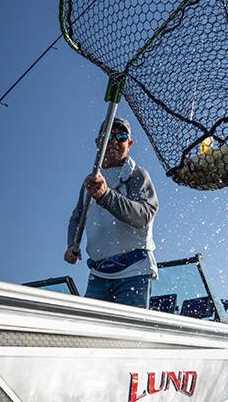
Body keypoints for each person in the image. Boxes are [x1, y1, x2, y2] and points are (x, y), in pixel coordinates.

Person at [64, 117, 158, 308]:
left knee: (129, 328)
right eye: (108, 136)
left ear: (129, 144)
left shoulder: (137, 175)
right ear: (98, 143)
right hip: (98, 276)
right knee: (92, 327)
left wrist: (106, 195)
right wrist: (72, 245)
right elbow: (77, 218)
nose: (114, 141)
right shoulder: (90, 182)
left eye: (121, 137)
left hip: (134, 272)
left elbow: (143, 216)